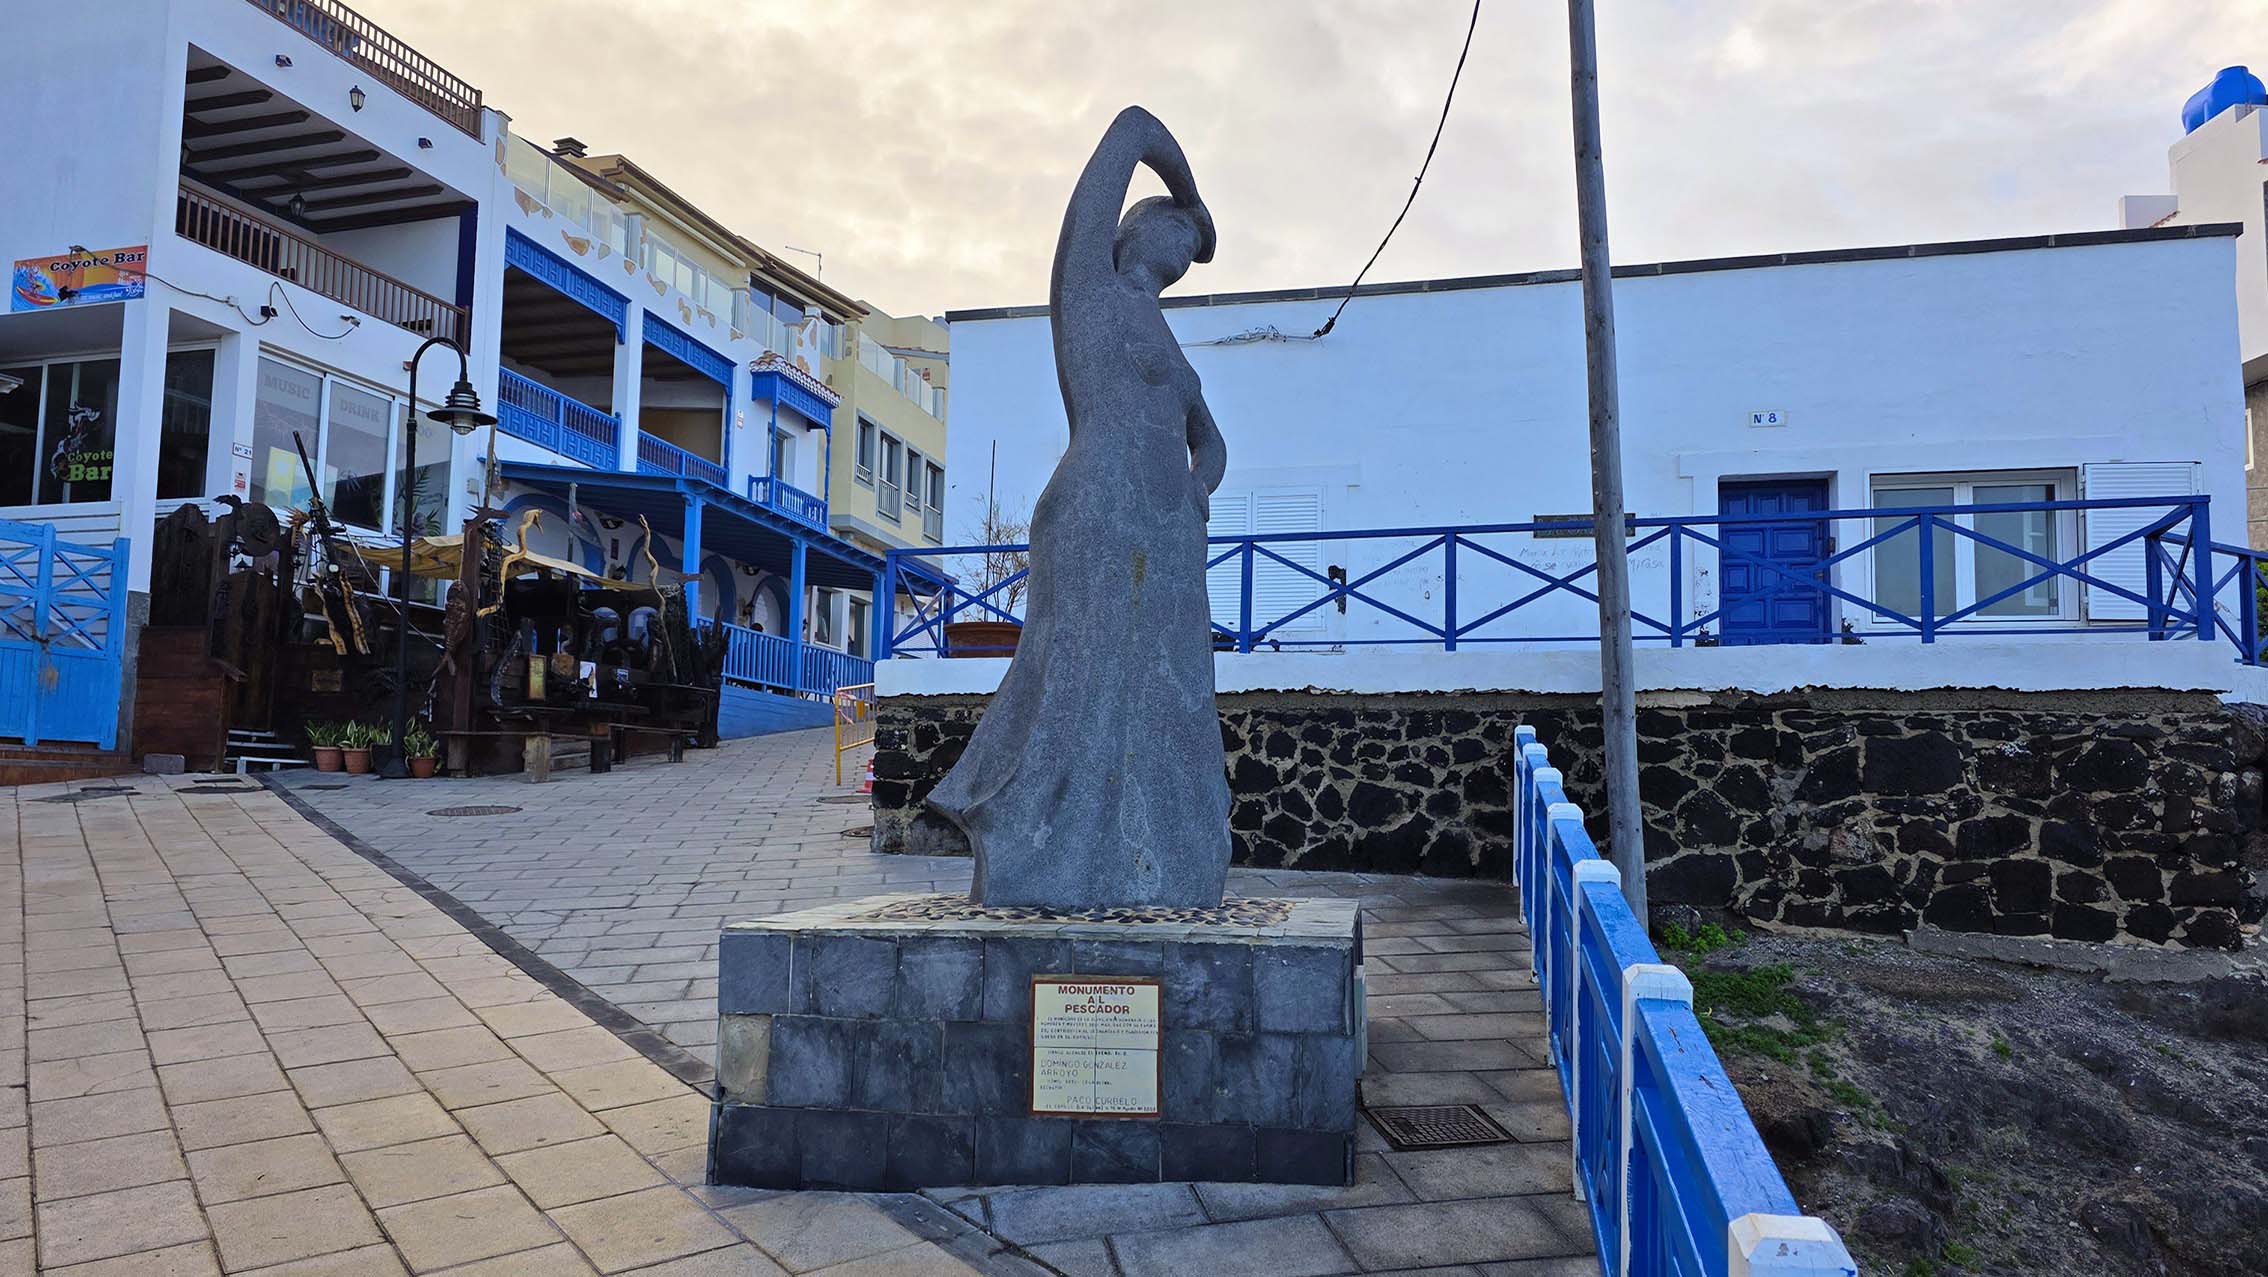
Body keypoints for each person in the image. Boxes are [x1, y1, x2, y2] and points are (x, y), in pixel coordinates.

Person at [927, 107, 1232, 910]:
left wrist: (1197, 488)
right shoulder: (1088, 290)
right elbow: (1133, 128)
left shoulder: (1169, 341)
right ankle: (1040, 850)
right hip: (1098, 510)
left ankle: (1160, 860)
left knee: (1171, 697)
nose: (1184, 253)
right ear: (1136, 230)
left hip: (1166, 534)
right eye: (1176, 233)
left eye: (1191, 246)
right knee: (1079, 685)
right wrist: (1193, 196)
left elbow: (1212, 441)